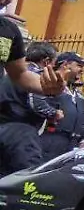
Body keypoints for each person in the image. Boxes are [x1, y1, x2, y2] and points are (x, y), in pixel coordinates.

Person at [0, 41, 61, 174]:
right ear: (46, 61)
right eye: (54, 63)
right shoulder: (35, 75)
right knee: (26, 177)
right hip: (22, 132)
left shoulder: (11, 74)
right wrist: (54, 113)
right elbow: (37, 103)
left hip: (3, 127)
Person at [35, 52, 84, 160]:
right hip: (49, 141)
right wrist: (53, 113)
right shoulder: (49, 85)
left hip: (72, 145)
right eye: (79, 65)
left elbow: (83, 122)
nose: (82, 69)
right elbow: (37, 104)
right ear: (65, 65)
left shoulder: (79, 96)